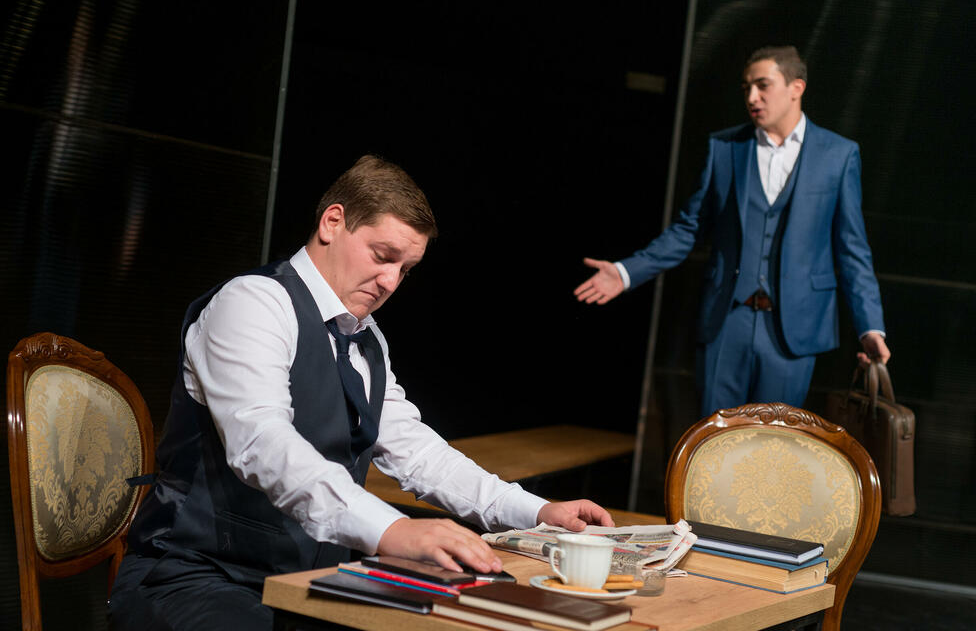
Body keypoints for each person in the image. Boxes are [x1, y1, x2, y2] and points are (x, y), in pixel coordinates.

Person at [109, 155, 614, 630]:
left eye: (405, 269)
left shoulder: (366, 338)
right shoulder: (253, 303)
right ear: (333, 222)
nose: (390, 281)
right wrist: (391, 531)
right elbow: (261, 444)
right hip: (195, 575)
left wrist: (536, 512)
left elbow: (417, 455)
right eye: (383, 256)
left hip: (307, 581)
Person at [574, 46, 890, 418]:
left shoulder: (838, 154)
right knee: (716, 439)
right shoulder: (724, 148)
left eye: (762, 85)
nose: (752, 97)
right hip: (727, 322)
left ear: (796, 87)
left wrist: (871, 327)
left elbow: (852, 250)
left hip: (794, 330)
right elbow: (689, 228)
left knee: (773, 443)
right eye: (746, 88)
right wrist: (627, 272)